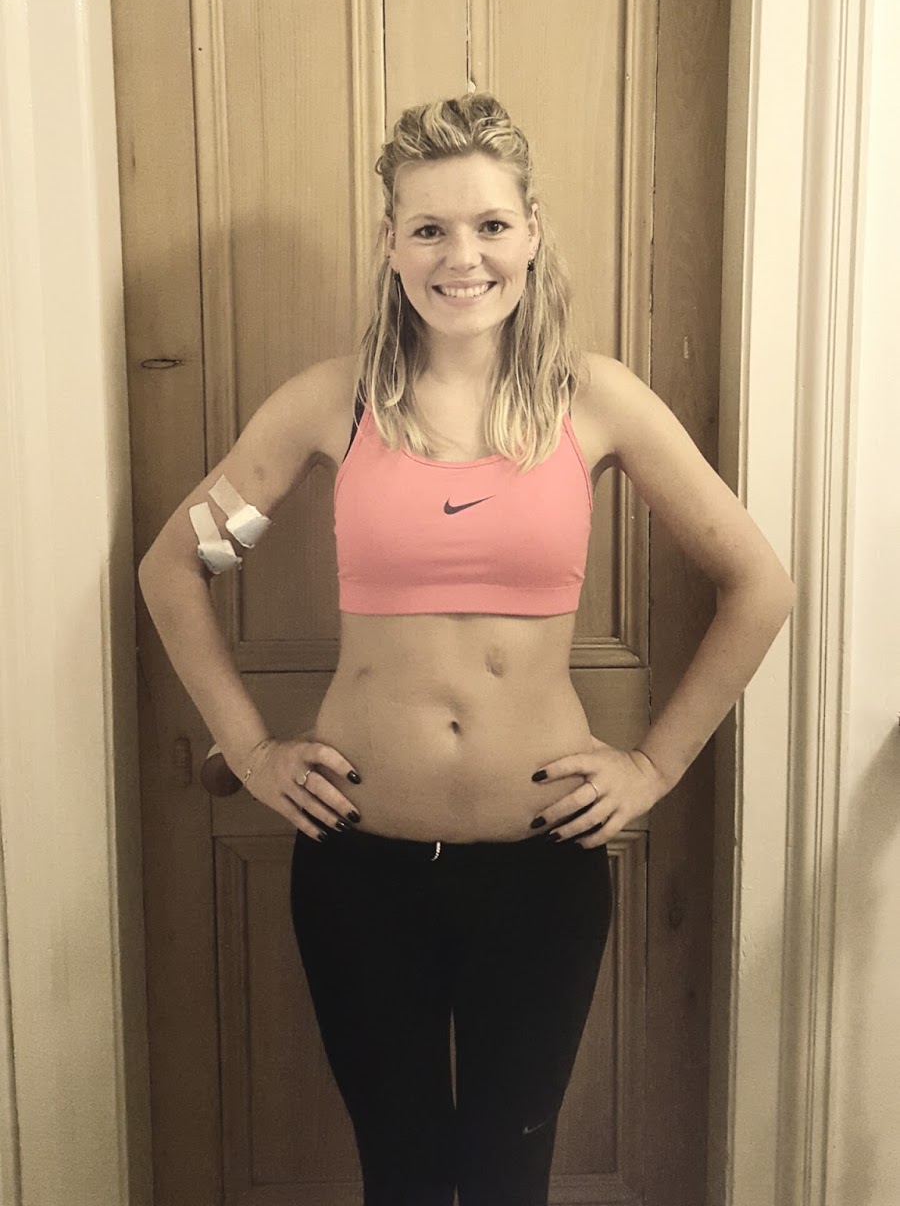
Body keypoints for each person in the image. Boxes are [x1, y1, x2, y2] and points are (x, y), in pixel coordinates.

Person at [138, 92, 795, 1206]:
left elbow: (759, 586)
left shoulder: (593, 400)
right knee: (398, 1172)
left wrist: (653, 765)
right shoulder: (333, 405)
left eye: (490, 224)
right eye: (430, 228)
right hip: (358, 864)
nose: (463, 257)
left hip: (539, 867)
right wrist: (249, 750)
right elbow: (177, 568)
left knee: (506, 1173)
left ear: (531, 231)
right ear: (391, 242)